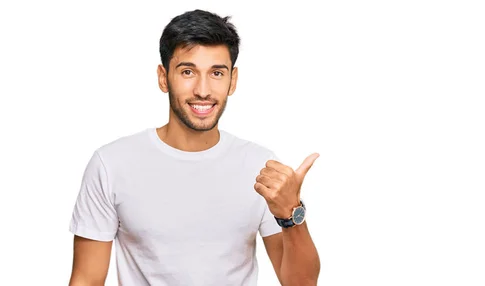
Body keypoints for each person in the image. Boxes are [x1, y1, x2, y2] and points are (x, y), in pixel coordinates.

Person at [67, 9, 321, 286]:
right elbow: (86, 279)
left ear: (232, 80)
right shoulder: (112, 164)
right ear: (164, 78)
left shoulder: (259, 166)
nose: (203, 89)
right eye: (188, 71)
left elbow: (301, 283)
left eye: (216, 73)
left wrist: (291, 213)